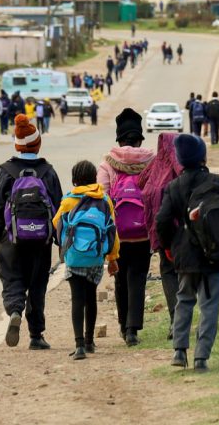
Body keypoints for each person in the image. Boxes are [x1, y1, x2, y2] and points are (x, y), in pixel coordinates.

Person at [158, 134, 219, 373]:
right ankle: (201, 358)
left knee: (184, 300)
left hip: (185, 255)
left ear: (181, 161)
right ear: (203, 157)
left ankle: (179, 350)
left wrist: (168, 246)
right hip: (215, 253)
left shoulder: (173, 187)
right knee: (210, 305)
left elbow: (162, 221)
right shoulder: (218, 182)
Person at [0, 114, 64, 352]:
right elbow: (58, 205)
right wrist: (56, 237)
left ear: (17, 145)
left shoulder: (6, 171)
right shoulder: (48, 172)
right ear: (38, 144)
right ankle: (36, 335)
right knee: (38, 284)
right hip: (40, 240)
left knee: (13, 278)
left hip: (13, 238)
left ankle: (14, 310)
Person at [97, 109, 155, 346]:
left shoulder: (107, 163)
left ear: (119, 139)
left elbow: (101, 198)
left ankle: (122, 326)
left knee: (120, 279)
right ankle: (133, 329)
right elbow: (153, 195)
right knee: (138, 279)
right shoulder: (151, 162)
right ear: (139, 138)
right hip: (143, 233)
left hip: (118, 235)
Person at [53, 159, 119, 360]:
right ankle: (90, 341)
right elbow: (112, 231)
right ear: (94, 178)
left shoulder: (68, 200)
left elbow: (57, 224)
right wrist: (113, 258)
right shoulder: (104, 200)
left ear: (74, 180)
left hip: (74, 257)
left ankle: (79, 345)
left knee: (77, 299)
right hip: (95, 258)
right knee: (91, 297)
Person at [145, 133, 183, 333]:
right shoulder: (184, 166)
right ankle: (182, 319)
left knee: (168, 272)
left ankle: (175, 321)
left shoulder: (155, 165)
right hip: (184, 230)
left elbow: (143, 183)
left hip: (162, 230)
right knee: (185, 272)